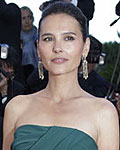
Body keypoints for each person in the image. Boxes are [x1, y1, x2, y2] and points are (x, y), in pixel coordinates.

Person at [3, 2, 119, 150]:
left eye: (68, 38)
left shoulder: (104, 112)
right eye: (48, 39)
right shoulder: (16, 107)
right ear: (38, 48)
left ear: (85, 47)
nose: (57, 48)